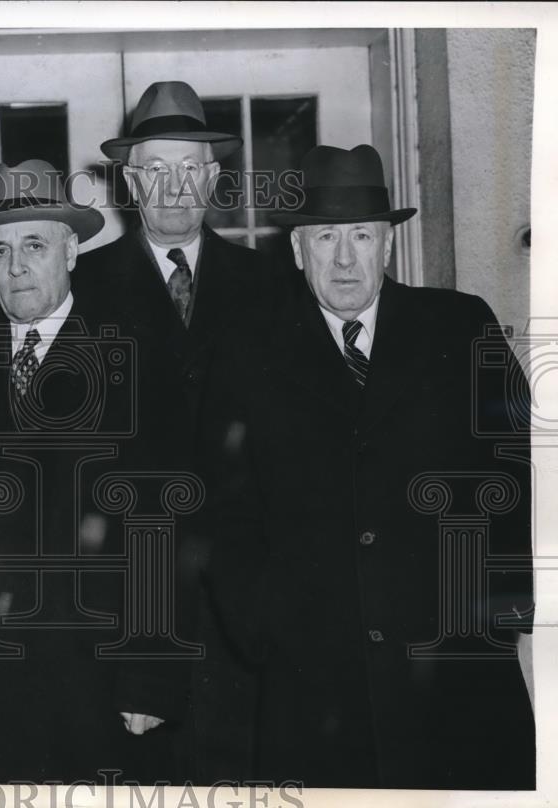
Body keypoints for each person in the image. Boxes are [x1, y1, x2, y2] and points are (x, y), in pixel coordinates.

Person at [198, 144, 535, 788]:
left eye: (361, 235)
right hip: (314, 683)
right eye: (326, 237)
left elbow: (520, 472)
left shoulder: (460, 325)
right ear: (298, 250)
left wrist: (502, 611)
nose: (345, 259)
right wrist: (264, 627)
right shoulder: (246, 351)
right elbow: (222, 511)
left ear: (388, 244)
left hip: (454, 674)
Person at [0, 160, 179, 783]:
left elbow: (161, 528)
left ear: (71, 250)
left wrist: (149, 672)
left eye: (34, 245)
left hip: (87, 678)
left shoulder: (131, 362)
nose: (15, 266)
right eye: (0, 250)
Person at [75, 79, 282, 782]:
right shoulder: (81, 287)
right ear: (131, 183)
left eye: (188, 168)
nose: (172, 186)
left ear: (214, 179)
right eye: (155, 170)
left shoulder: (272, 285)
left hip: (247, 617)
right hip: (129, 615)